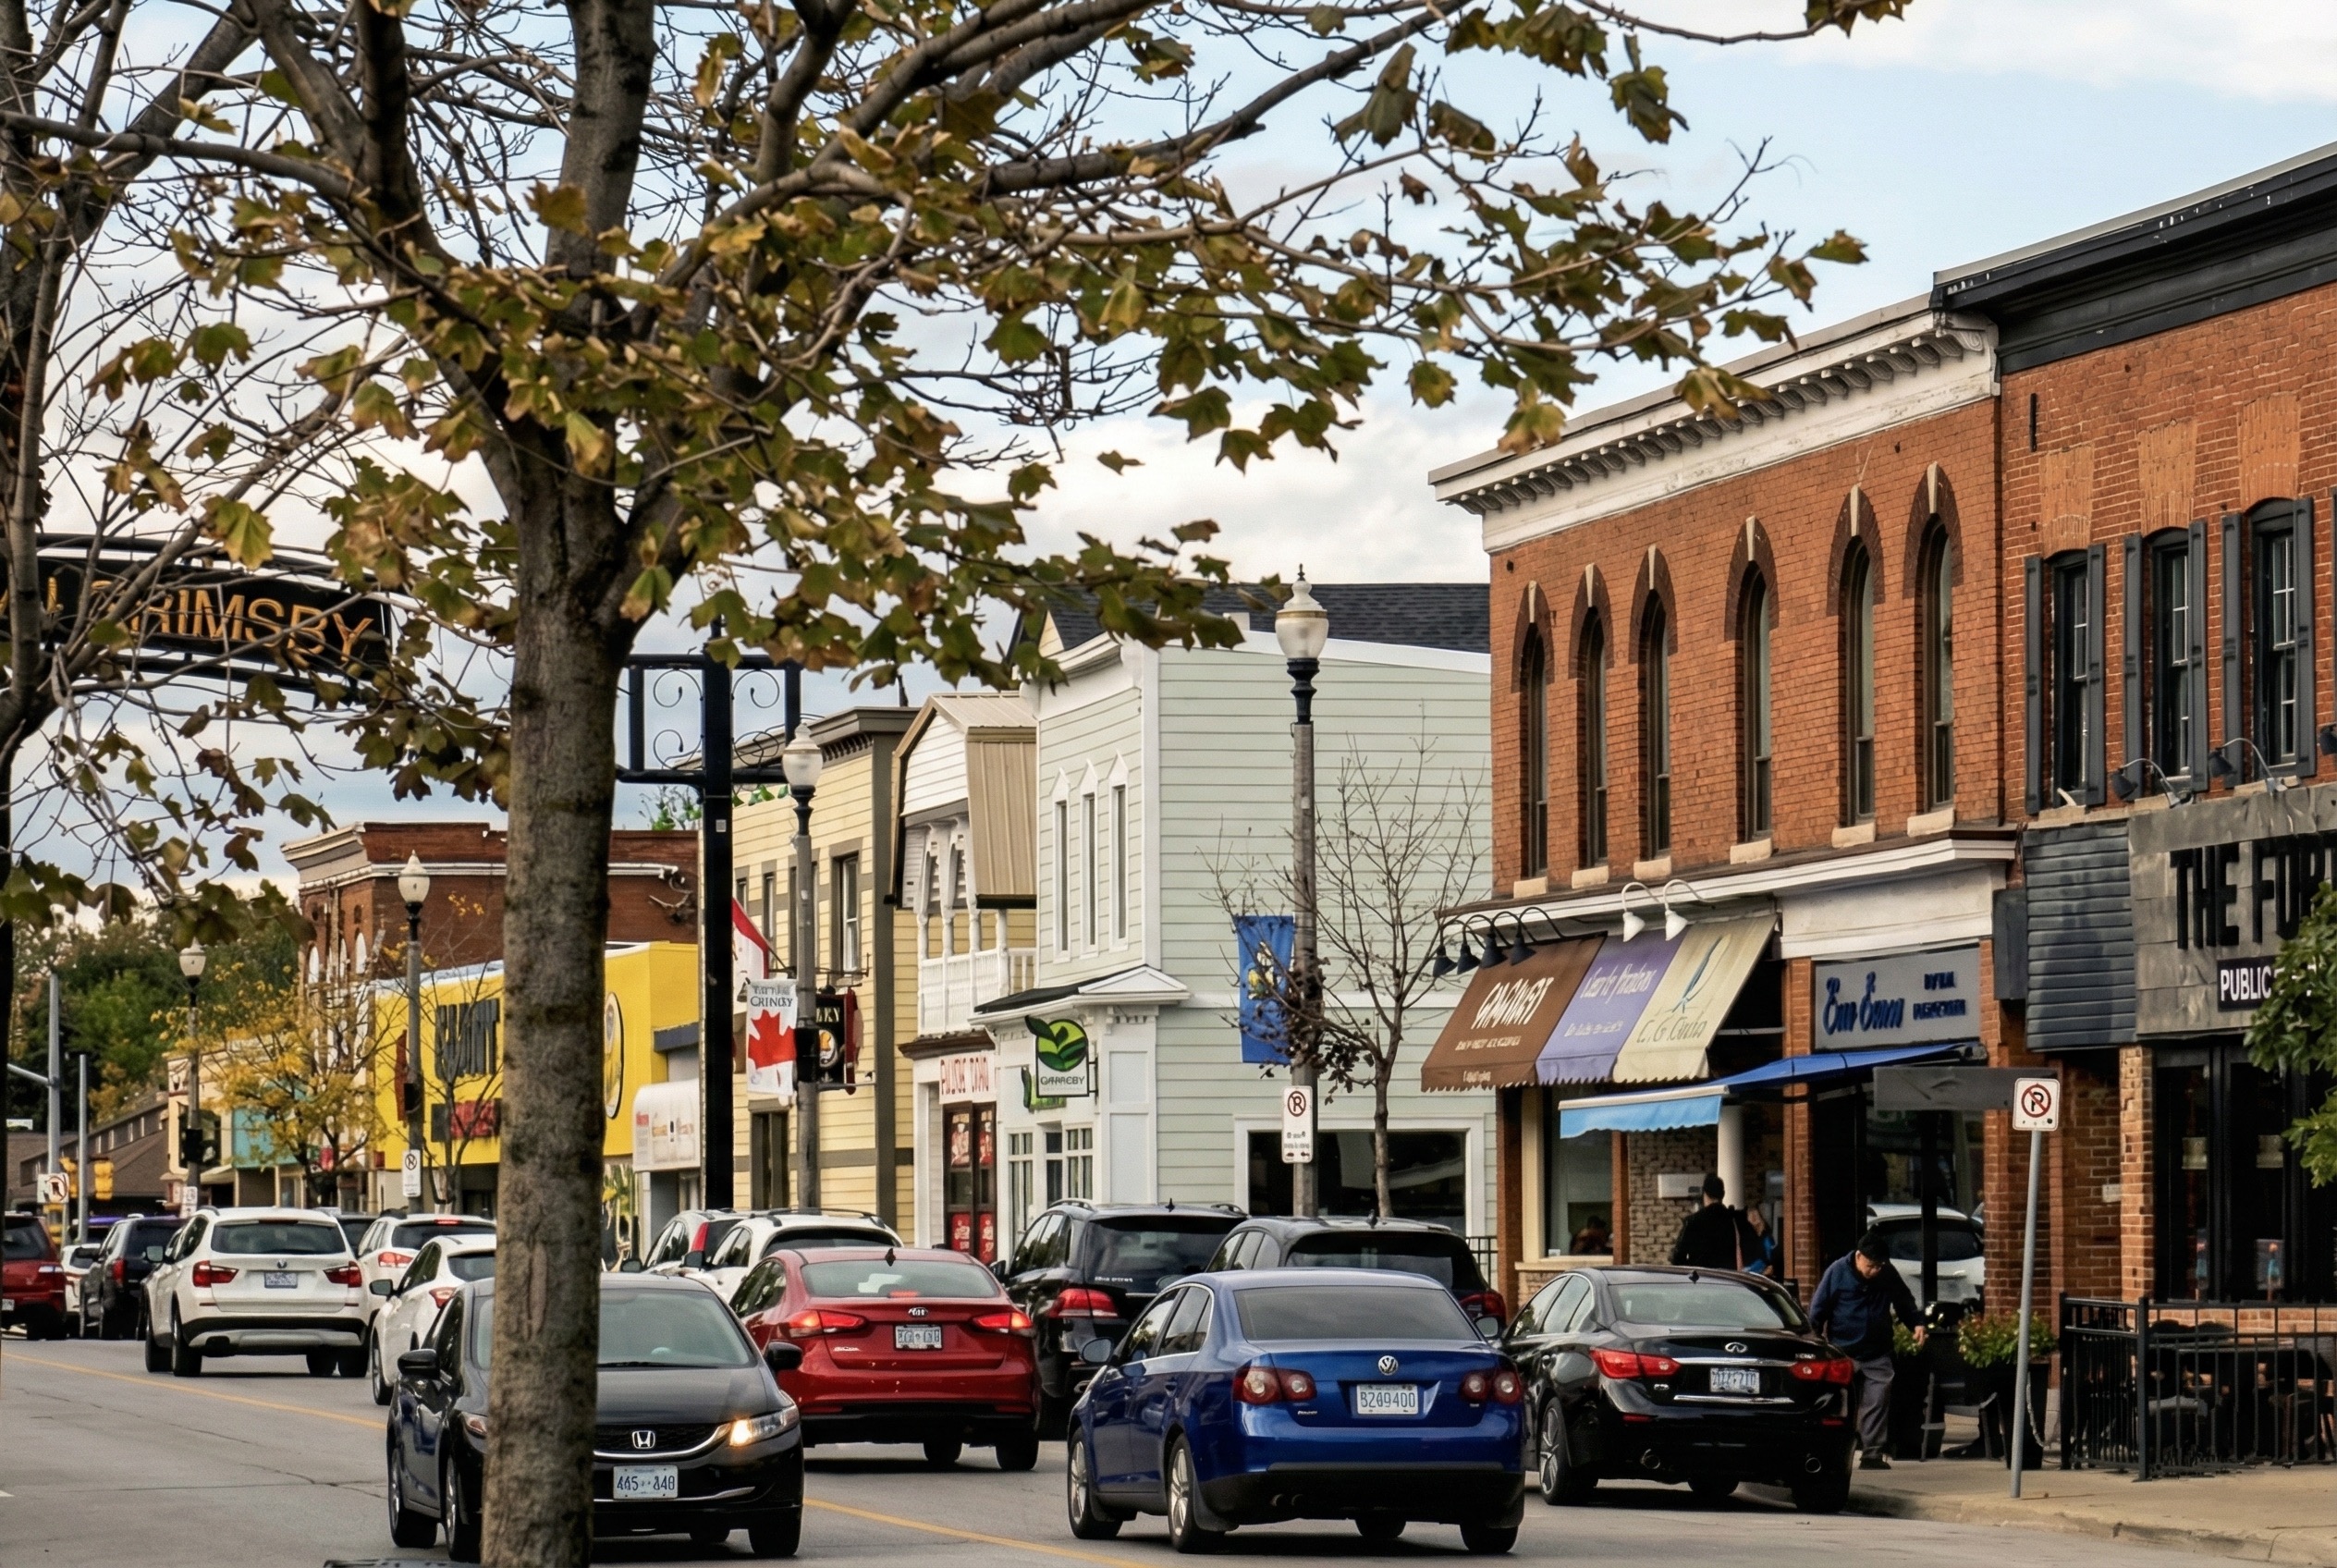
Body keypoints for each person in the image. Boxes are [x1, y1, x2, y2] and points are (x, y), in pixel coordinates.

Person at [1808, 1230, 1927, 1469]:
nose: (1876, 1271)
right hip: (1844, 1350)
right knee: (1841, 1403)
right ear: (1859, 1256)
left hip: (1877, 1349)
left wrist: (1916, 1323)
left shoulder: (1886, 1273)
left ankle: (1872, 1453)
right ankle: (1835, 1451)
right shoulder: (1837, 1272)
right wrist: (1815, 1340)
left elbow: (1903, 1299)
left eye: (1880, 1266)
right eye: (1872, 1266)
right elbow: (1818, 1308)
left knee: (1877, 1400)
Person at [1670, 1172, 1756, 1269]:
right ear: (1723, 1194)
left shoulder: (1693, 1221)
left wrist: (1692, 1268)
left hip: (1702, 1279)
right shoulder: (1737, 1220)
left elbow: (1677, 1257)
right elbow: (1752, 1253)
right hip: (1729, 1279)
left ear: (1705, 1194)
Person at [1740, 1204, 1778, 1276]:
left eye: (1755, 1215)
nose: (1753, 1218)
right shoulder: (1749, 1235)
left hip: (1761, 1272)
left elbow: (1768, 1258)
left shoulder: (1766, 1237)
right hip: (1752, 1271)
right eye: (1751, 1216)